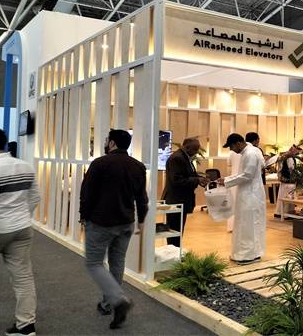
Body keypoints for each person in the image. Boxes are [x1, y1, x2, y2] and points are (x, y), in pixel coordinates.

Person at [80, 129, 149, 329]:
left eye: (106, 140)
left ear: (112, 143)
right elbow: (141, 197)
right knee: (117, 263)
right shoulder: (138, 166)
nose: (105, 143)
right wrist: (142, 220)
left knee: (94, 263)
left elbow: (87, 193)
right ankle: (108, 304)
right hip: (126, 222)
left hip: (101, 222)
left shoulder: (99, 163)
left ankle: (118, 300)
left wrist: (83, 216)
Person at [0, 129, 40, 336]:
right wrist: (21, 215)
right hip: (22, 228)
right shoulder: (25, 166)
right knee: (23, 278)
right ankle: (26, 326)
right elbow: (35, 197)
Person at [217, 133, 266, 265]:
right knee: (246, 223)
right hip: (248, 193)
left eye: (231, 147)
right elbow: (245, 173)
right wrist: (227, 179)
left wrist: (226, 181)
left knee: (248, 224)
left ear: (238, 143)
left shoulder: (250, 153)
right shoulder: (250, 151)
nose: (231, 150)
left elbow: (247, 175)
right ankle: (247, 253)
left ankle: (247, 255)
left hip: (251, 195)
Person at [162, 137, 208, 247]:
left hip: (181, 200)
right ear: (187, 147)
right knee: (174, 232)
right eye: (195, 149)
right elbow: (177, 180)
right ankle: (173, 253)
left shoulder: (185, 157)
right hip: (176, 200)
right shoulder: (177, 158)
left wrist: (200, 179)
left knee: (177, 231)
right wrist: (197, 180)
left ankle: (175, 251)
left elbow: (188, 175)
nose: (197, 151)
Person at [274, 145, 301, 218]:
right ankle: (286, 213)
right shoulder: (290, 158)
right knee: (288, 198)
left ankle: (279, 212)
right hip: (289, 181)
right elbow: (291, 169)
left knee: (282, 196)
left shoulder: (284, 156)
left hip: (284, 181)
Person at [226, 147, 242, 233]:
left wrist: (229, 179)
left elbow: (229, 167)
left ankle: (231, 226)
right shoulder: (247, 153)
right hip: (241, 180)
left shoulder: (231, 153)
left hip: (233, 180)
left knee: (232, 204)